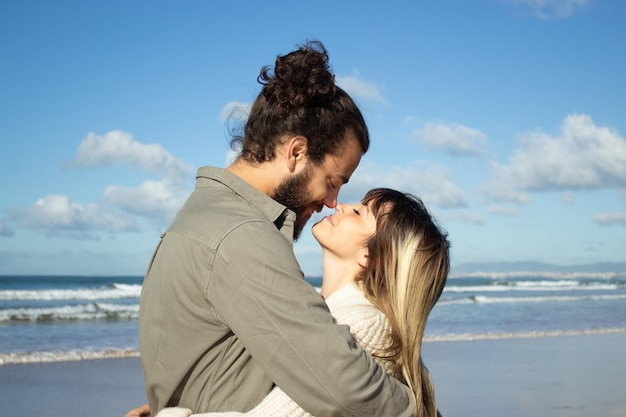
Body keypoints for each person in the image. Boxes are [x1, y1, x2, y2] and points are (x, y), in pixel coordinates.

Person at [136, 41, 416, 417]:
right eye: (333, 180)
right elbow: (346, 387)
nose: (333, 200)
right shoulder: (240, 234)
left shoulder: (208, 215)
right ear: (297, 152)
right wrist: (418, 408)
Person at [133, 188, 449, 417]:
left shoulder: (365, 326)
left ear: (369, 256)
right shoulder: (322, 311)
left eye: (358, 212)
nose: (340, 206)